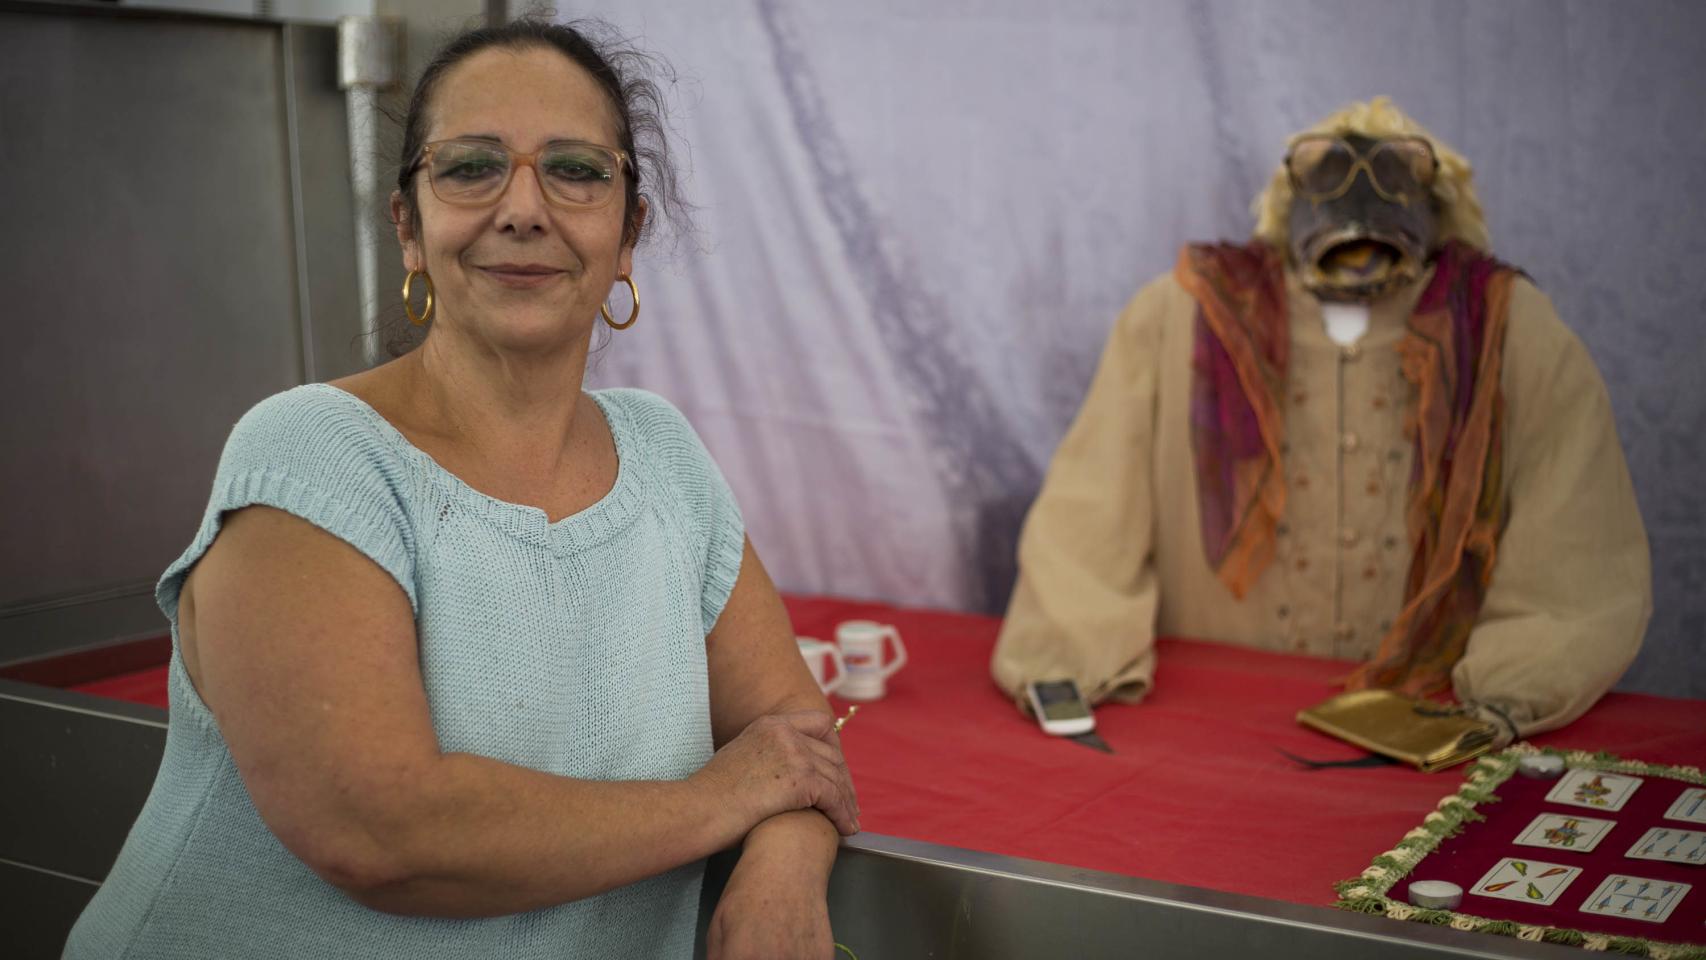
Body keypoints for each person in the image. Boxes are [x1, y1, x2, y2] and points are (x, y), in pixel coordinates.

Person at [65, 19, 855, 960]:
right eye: (473, 167)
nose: (524, 209)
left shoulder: (665, 457)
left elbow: (793, 737)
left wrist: (783, 866)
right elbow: (381, 832)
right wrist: (731, 796)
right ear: (409, 226)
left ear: (629, 231)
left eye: (576, 170)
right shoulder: (316, 455)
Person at [991, 97, 1651, 744]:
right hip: (1210, 721)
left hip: (1426, 717)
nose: (1361, 202)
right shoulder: (1182, 316)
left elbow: (1573, 535)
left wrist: (1512, 692)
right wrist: (1065, 664)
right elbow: (1092, 509)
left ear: (1439, 204)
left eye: (1394, 177)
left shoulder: (1508, 327)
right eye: (1329, 174)